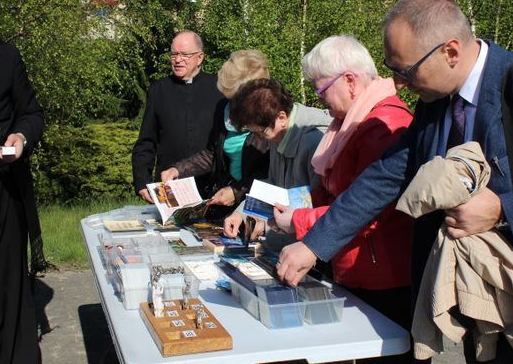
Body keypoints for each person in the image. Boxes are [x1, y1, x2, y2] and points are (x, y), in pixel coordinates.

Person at [276, 0, 513, 363]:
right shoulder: (434, 104)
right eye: (393, 69)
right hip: (469, 301)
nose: (399, 83)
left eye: (406, 71)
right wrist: (314, 245)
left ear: (450, 51)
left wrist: (503, 208)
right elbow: (381, 179)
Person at [273, 35, 414, 346]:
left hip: (383, 278)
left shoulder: (381, 126)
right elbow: (332, 190)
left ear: (349, 81)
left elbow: (368, 211)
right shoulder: (351, 121)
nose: (318, 98)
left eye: (321, 89)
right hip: (359, 267)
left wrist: (299, 221)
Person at [223, 78, 332, 249]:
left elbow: (317, 211)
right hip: (287, 238)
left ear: (281, 117)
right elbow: (273, 187)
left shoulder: (315, 142)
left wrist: (267, 228)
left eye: (260, 132)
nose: (260, 139)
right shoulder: (279, 134)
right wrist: (242, 213)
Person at [160, 50, 270, 217]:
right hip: (226, 197)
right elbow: (211, 153)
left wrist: (236, 192)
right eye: (230, 98)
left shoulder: (271, 120)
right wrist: (177, 170)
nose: (233, 106)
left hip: (258, 205)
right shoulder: (223, 108)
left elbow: (270, 174)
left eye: (237, 99)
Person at [132, 30, 223, 203]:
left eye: (185, 54)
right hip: (170, 186)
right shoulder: (159, 90)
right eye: (174, 54)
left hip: (212, 187)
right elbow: (147, 141)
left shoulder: (219, 88)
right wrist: (142, 181)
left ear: (200, 58)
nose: (178, 59)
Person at [0, 40, 43, 363]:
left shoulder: (7, 56)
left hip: (2, 189)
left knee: (6, 286)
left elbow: (32, 114)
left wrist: (21, 137)